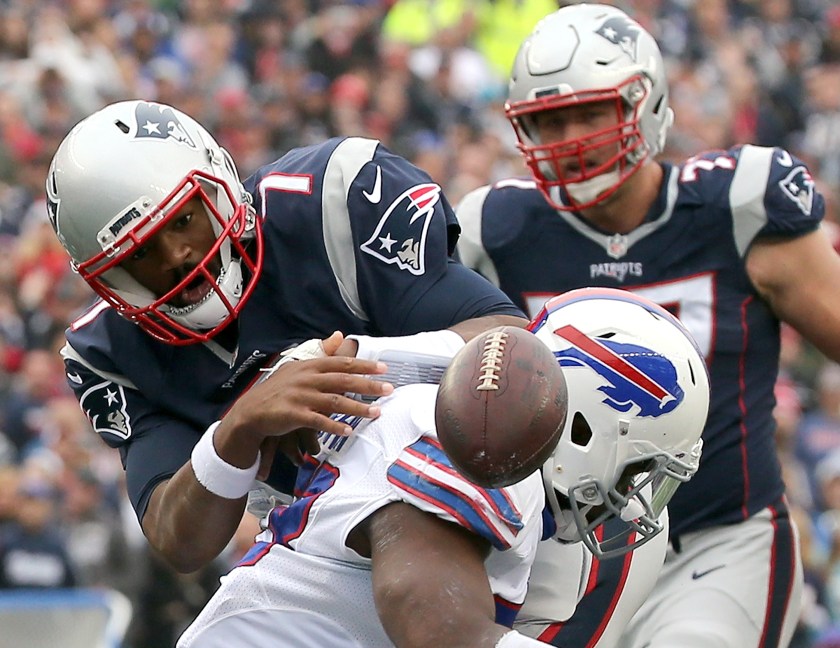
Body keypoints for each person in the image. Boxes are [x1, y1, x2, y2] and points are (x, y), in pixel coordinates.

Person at [456, 4, 830, 646]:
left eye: (589, 112)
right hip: (563, 554)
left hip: (714, 543)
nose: (570, 136)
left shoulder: (734, 211)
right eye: (549, 120)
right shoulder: (497, 233)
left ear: (644, 102)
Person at [44, 100, 527, 573]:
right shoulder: (108, 350)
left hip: (477, 471)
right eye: (140, 253)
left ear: (218, 185)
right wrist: (237, 431)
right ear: (108, 279)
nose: (177, 256)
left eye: (184, 220)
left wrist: (339, 365)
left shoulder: (331, 199)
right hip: (323, 546)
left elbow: (510, 338)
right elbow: (179, 541)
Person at [176, 288, 709, 647]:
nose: (631, 497)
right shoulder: (477, 441)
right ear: (585, 430)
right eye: (638, 469)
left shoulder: (470, 432)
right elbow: (431, 615)